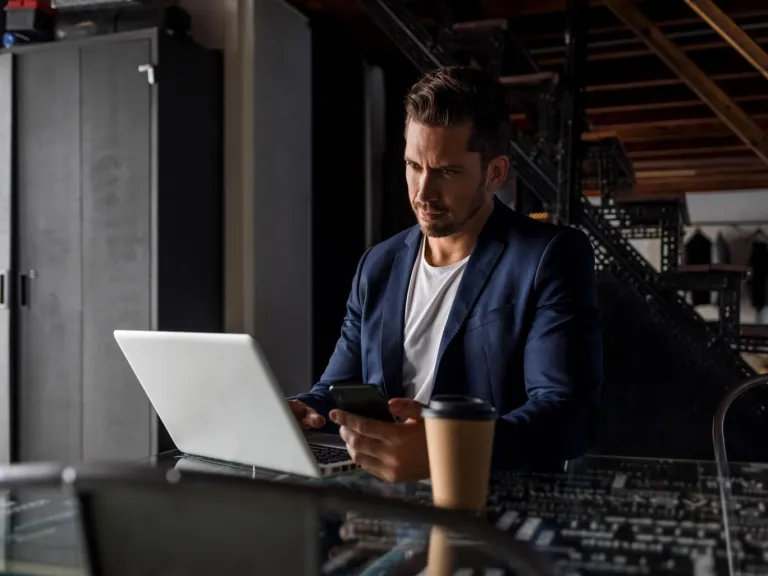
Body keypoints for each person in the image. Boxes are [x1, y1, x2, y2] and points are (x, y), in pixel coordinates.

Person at [289, 65, 603, 482]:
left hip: (490, 509)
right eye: (413, 165)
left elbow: (567, 414)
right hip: (381, 507)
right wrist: (299, 411)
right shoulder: (376, 266)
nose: (422, 192)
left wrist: (447, 449)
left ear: (495, 173)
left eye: (446, 172)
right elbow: (336, 389)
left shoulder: (549, 256)